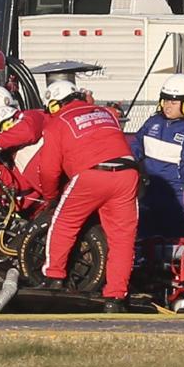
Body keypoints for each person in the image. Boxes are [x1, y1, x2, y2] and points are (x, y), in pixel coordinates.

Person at [39, 80, 139, 313]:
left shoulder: (57, 122)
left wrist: (50, 197)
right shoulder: (105, 113)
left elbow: (48, 169)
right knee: (122, 239)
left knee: (64, 223)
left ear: (54, 105)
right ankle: (115, 297)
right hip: (127, 172)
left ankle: (54, 277)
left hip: (91, 174)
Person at [130, 73, 184, 239]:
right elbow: (136, 144)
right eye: (165, 100)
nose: (168, 106)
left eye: (173, 102)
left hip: (178, 197)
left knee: (176, 240)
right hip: (150, 190)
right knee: (145, 239)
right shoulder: (154, 122)